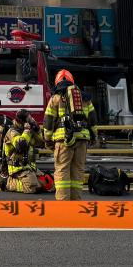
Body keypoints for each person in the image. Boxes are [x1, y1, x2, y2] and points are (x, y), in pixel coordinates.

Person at [43, 69, 97, 201]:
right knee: (78, 170)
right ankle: (76, 202)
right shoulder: (85, 98)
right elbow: (93, 120)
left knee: (62, 170)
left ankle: (63, 204)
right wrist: (94, 137)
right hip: (82, 139)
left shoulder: (56, 98)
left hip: (64, 140)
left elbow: (48, 122)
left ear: (57, 82)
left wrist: (47, 139)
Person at [0, 109, 46, 193]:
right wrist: (27, 130)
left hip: (29, 166)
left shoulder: (28, 130)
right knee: (32, 188)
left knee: (49, 185)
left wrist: (37, 130)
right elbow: (21, 145)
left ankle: (34, 181)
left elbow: (41, 143)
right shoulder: (12, 132)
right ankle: (8, 183)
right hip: (18, 168)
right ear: (22, 122)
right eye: (28, 119)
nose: (31, 120)